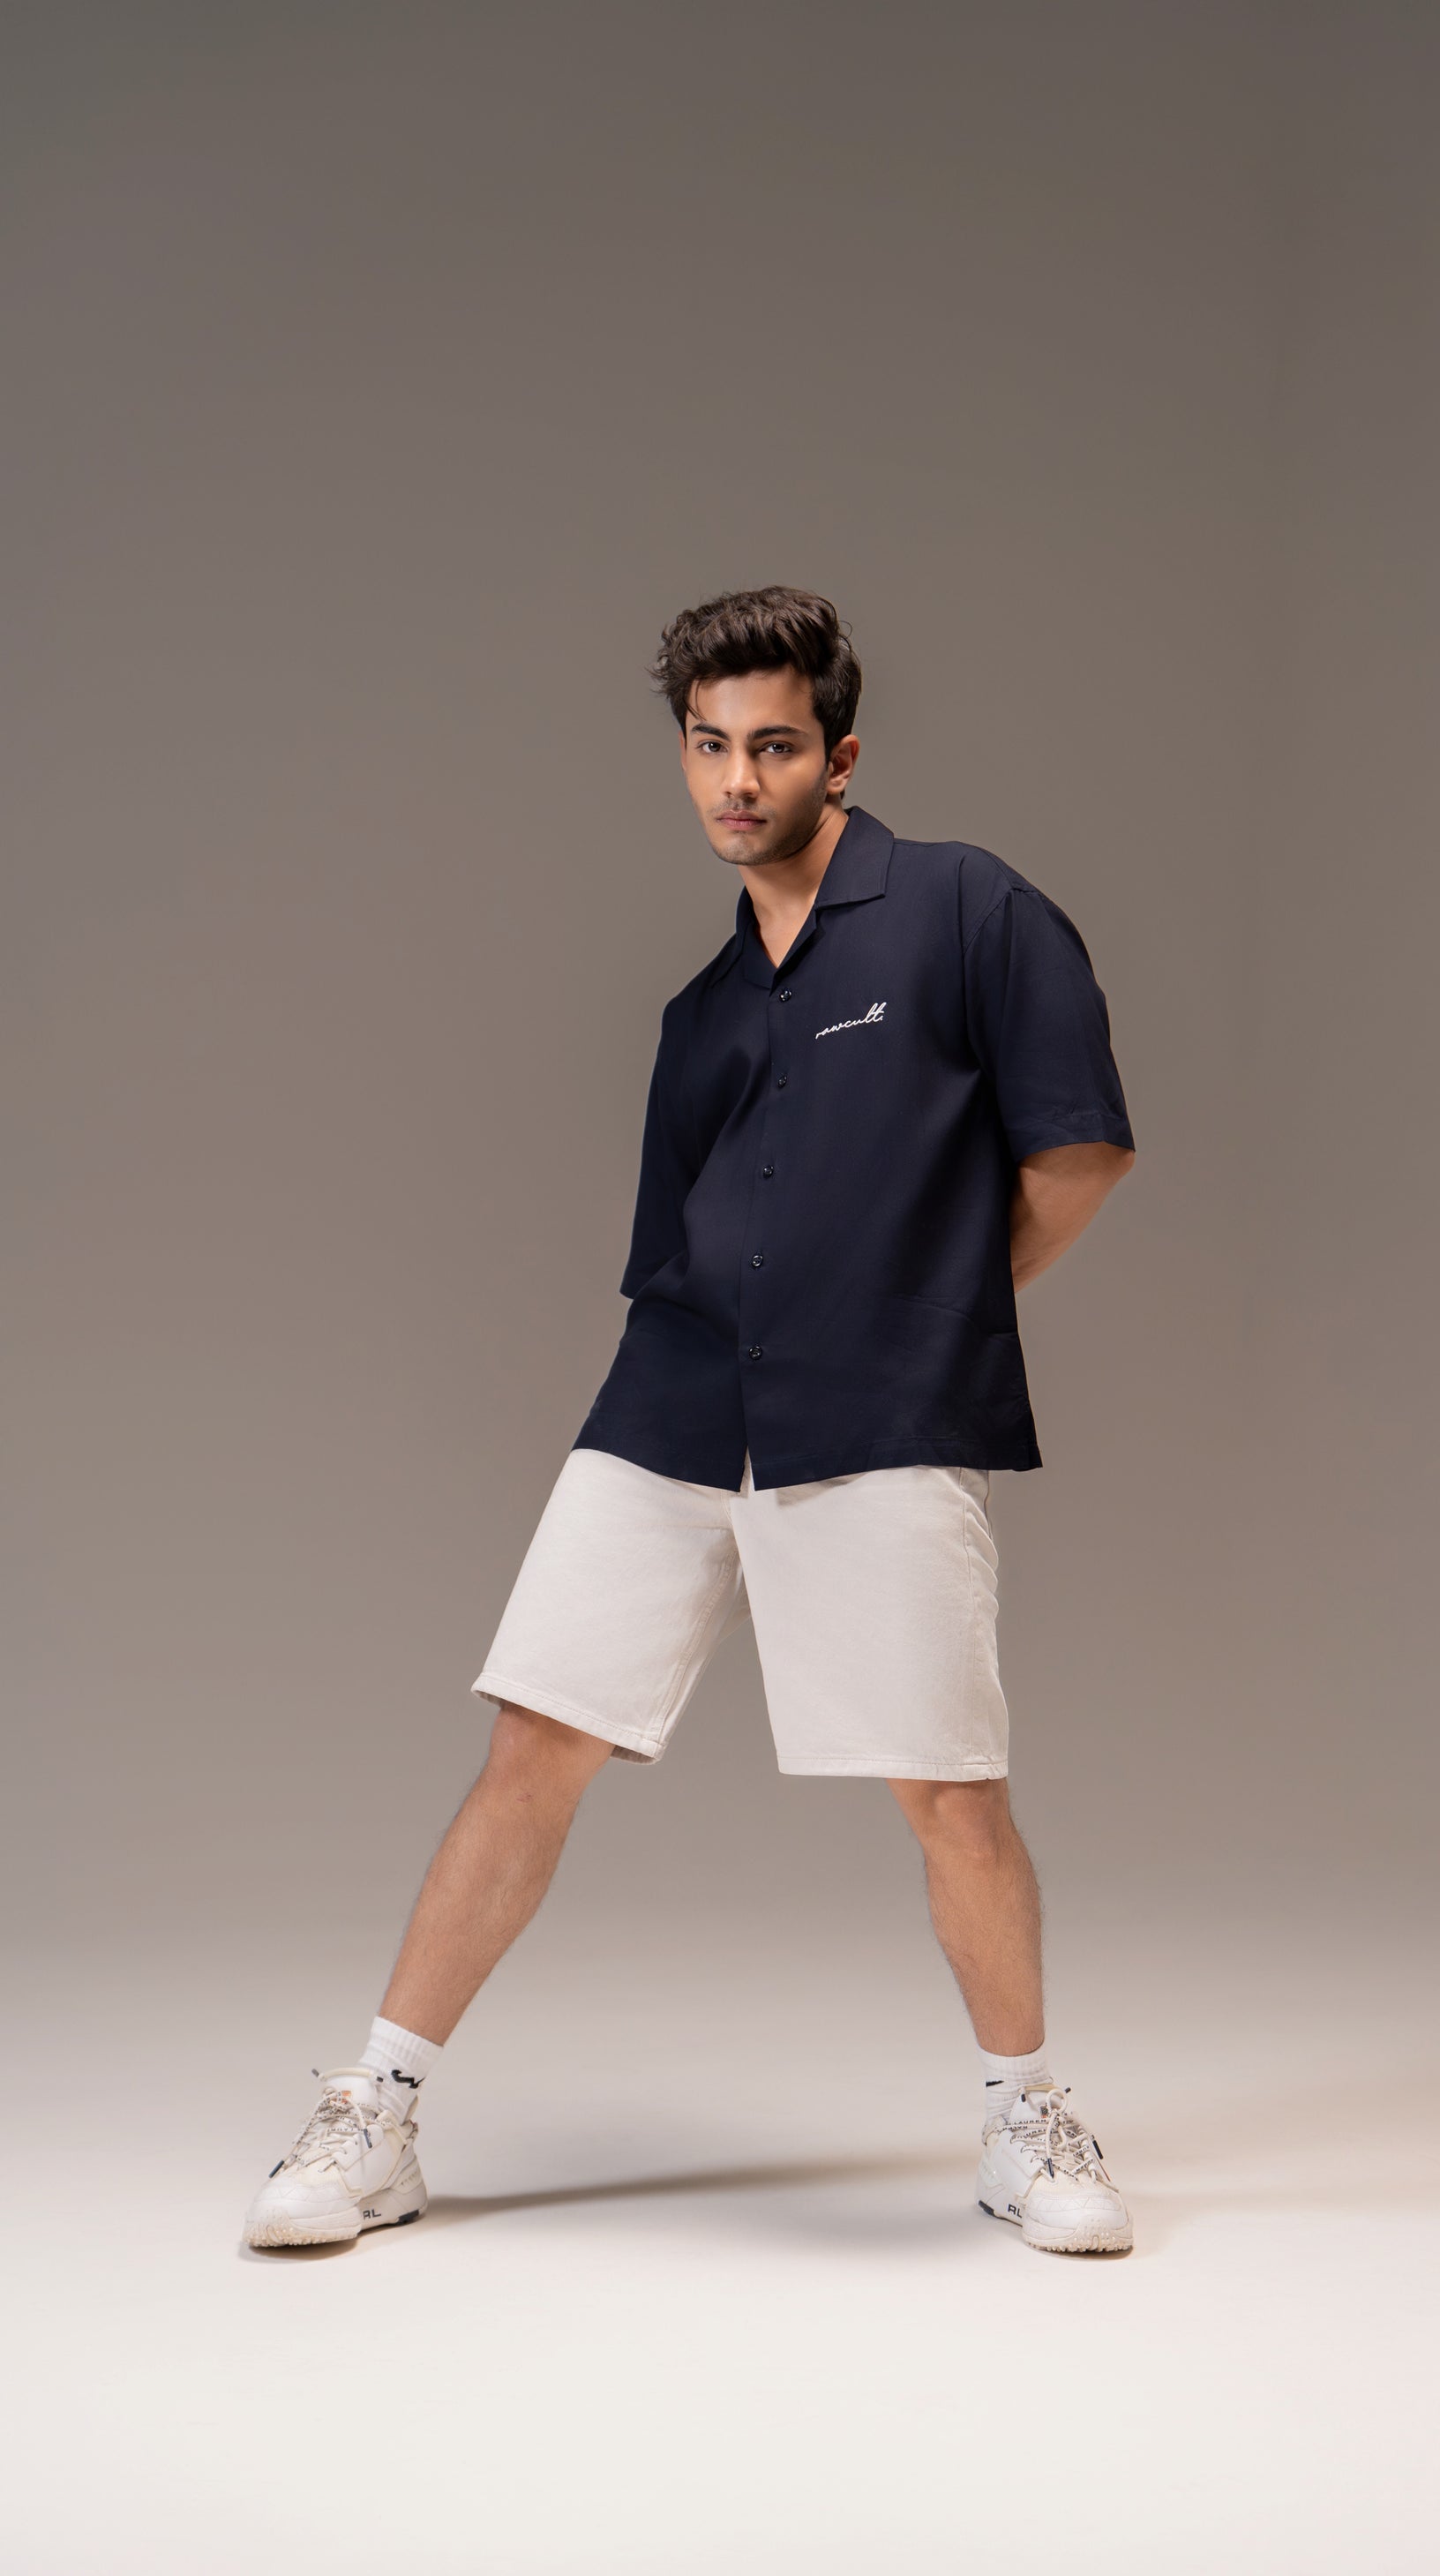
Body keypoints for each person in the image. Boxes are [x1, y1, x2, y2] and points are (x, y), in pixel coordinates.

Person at [244, 587, 1137, 2258]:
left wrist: (919, 1314)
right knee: (532, 1747)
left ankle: (1028, 2123)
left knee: (949, 1785)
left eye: (773, 746)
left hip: (878, 1410)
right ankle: (378, 2114)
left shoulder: (967, 909)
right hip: (668, 1399)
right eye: (710, 747)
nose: (738, 779)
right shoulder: (702, 1008)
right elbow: (674, 1237)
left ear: (839, 757)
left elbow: (1077, 1153)